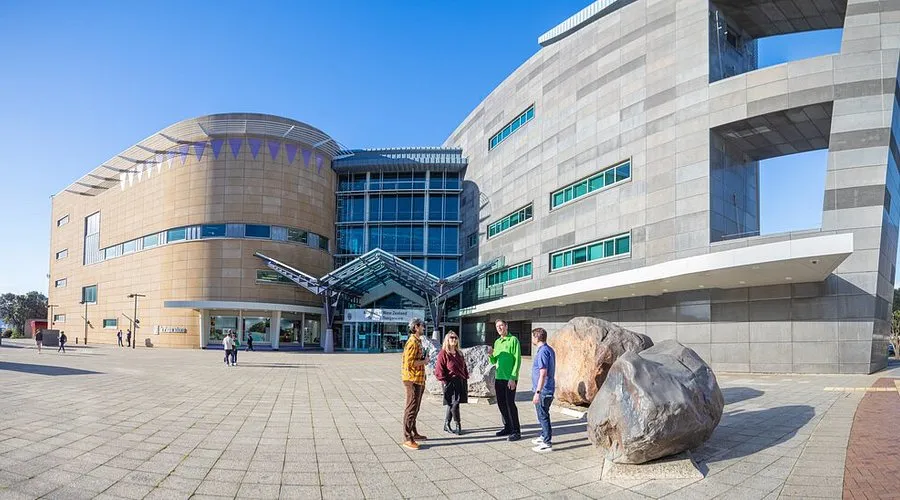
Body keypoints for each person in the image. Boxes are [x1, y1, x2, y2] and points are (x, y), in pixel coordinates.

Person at [487, 319, 521, 441]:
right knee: (501, 404)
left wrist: (513, 378)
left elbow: (517, 360)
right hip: (499, 377)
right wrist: (491, 355)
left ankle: (516, 431)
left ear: (506, 326)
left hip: (509, 379)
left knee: (510, 404)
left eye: (501, 325)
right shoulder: (497, 342)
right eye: (497, 326)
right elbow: (494, 361)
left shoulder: (513, 340)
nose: (499, 328)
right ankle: (507, 427)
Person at [400, 317, 428, 450]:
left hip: (419, 379)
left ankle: (413, 432)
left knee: (415, 407)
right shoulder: (412, 343)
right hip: (412, 380)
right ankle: (407, 438)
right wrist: (424, 361)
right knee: (411, 408)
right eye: (422, 325)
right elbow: (410, 363)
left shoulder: (418, 341)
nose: (424, 327)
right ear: (416, 327)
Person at [434, 330, 468, 435]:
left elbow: (464, 366)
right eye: (451, 338)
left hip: (460, 381)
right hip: (449, 382)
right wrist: (444, 381)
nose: (454, 339)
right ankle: (458, 424)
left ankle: (446, 424)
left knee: (451, 404)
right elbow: (438, 369)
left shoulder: (459, 353)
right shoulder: (443, 353)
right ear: (447, 340)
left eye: (455, 338)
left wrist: (466, 376)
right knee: (454, 404)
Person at [530, 327, 556, 453]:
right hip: (547, 388)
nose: (532, 339)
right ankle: (543, 436)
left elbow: (543, 373)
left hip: (544, 390)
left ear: (536, 337)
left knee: (543, 415)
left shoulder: (542, 352)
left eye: (532, 337)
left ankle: (547, 442)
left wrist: (537, 392)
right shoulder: (548, 349)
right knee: (543, 415)